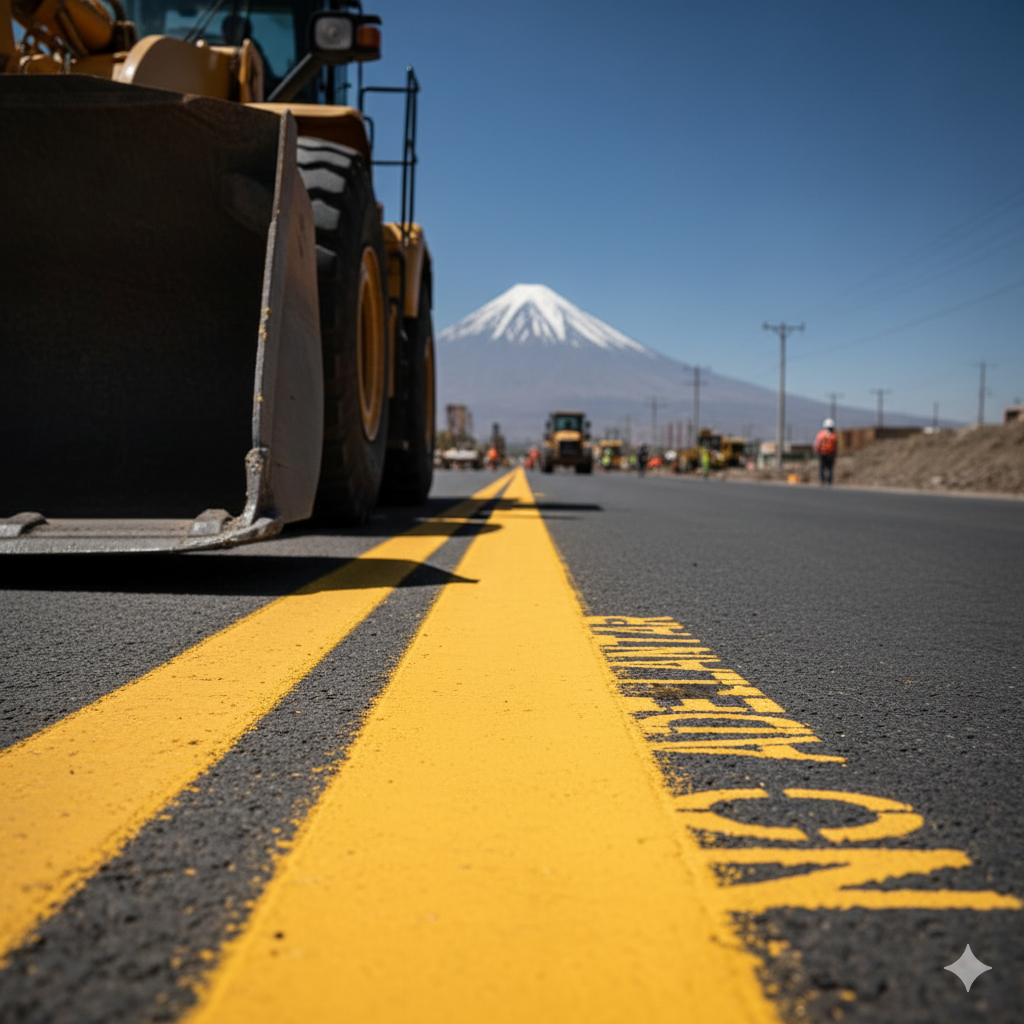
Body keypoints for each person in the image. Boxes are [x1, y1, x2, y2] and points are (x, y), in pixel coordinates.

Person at [813, 417, 838, 485]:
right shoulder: (834, 435)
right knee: (829, 468)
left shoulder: (821, 434)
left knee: (823, 467)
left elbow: (817, 443)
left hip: (823, 453)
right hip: (829, 454)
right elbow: (835, 445)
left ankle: (823, 480)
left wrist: (817, 450)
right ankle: (828, 480)